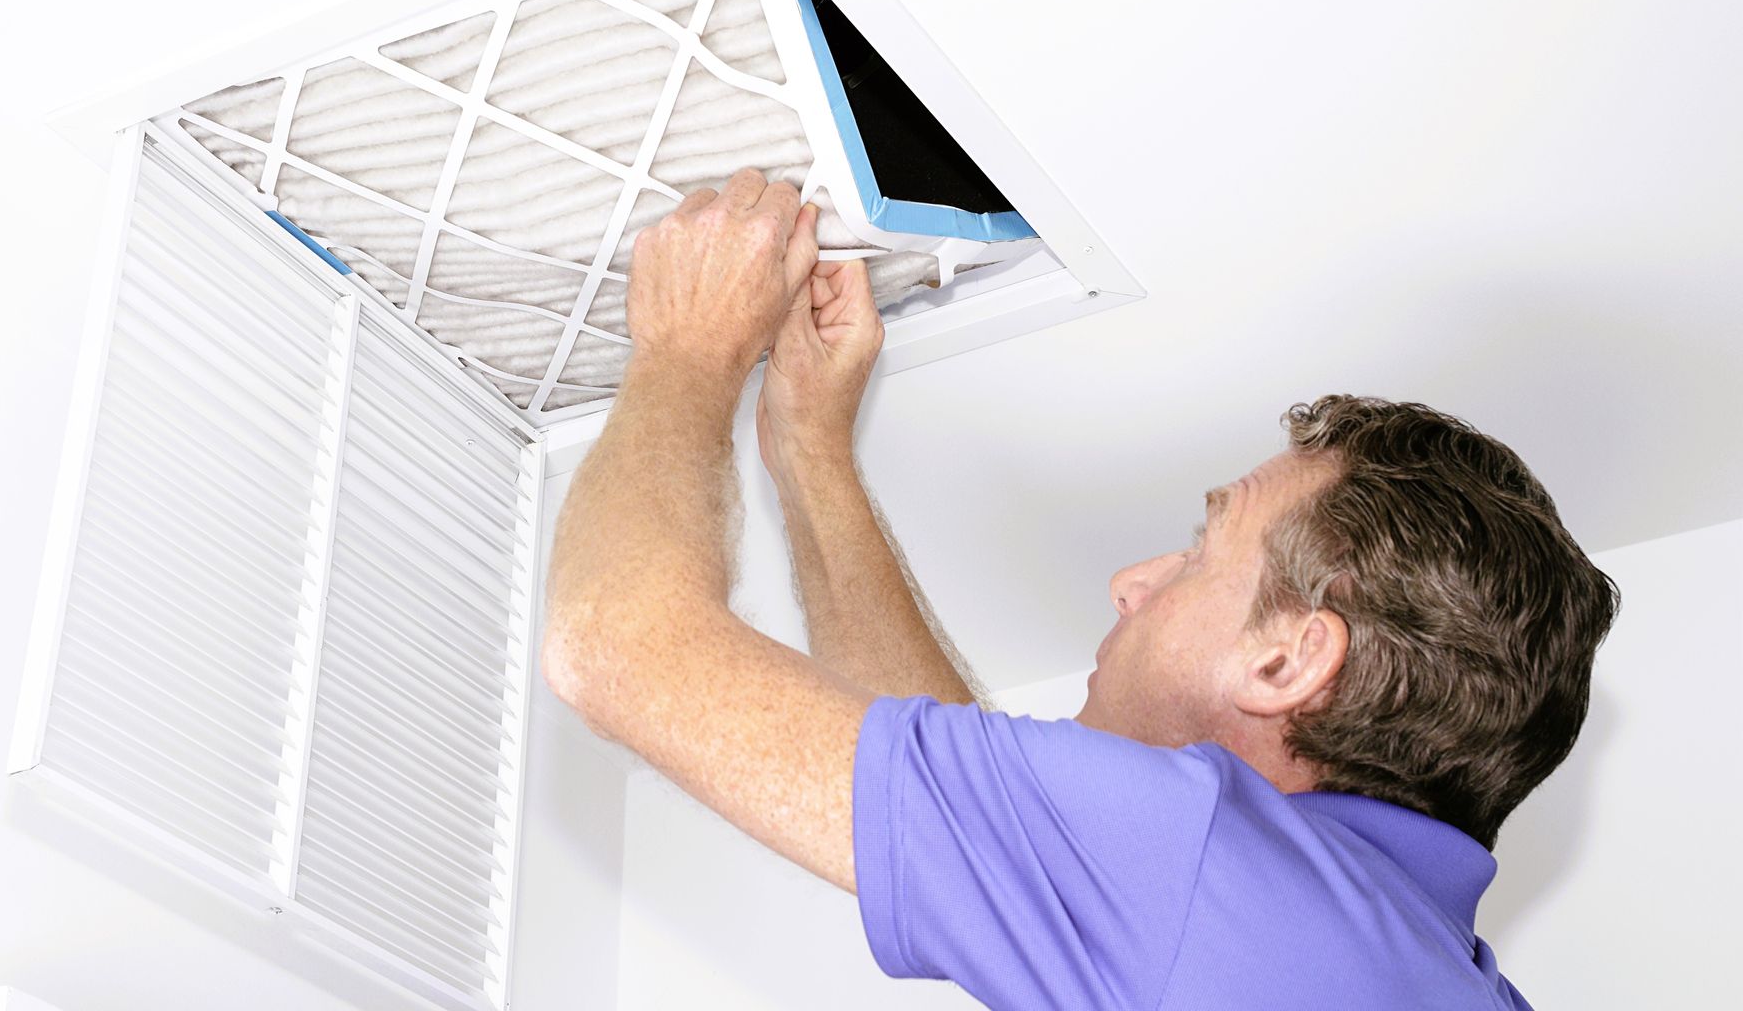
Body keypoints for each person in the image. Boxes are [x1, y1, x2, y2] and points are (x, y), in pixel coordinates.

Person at [542, 170, 1620, 1010]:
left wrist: (685, 351)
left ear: (1289, 658)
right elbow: (990, 816)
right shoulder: (1384, 953)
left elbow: (615, 643)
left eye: (1199, 553)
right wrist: (809, 448)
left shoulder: (1205, 872)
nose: (1132, 582)